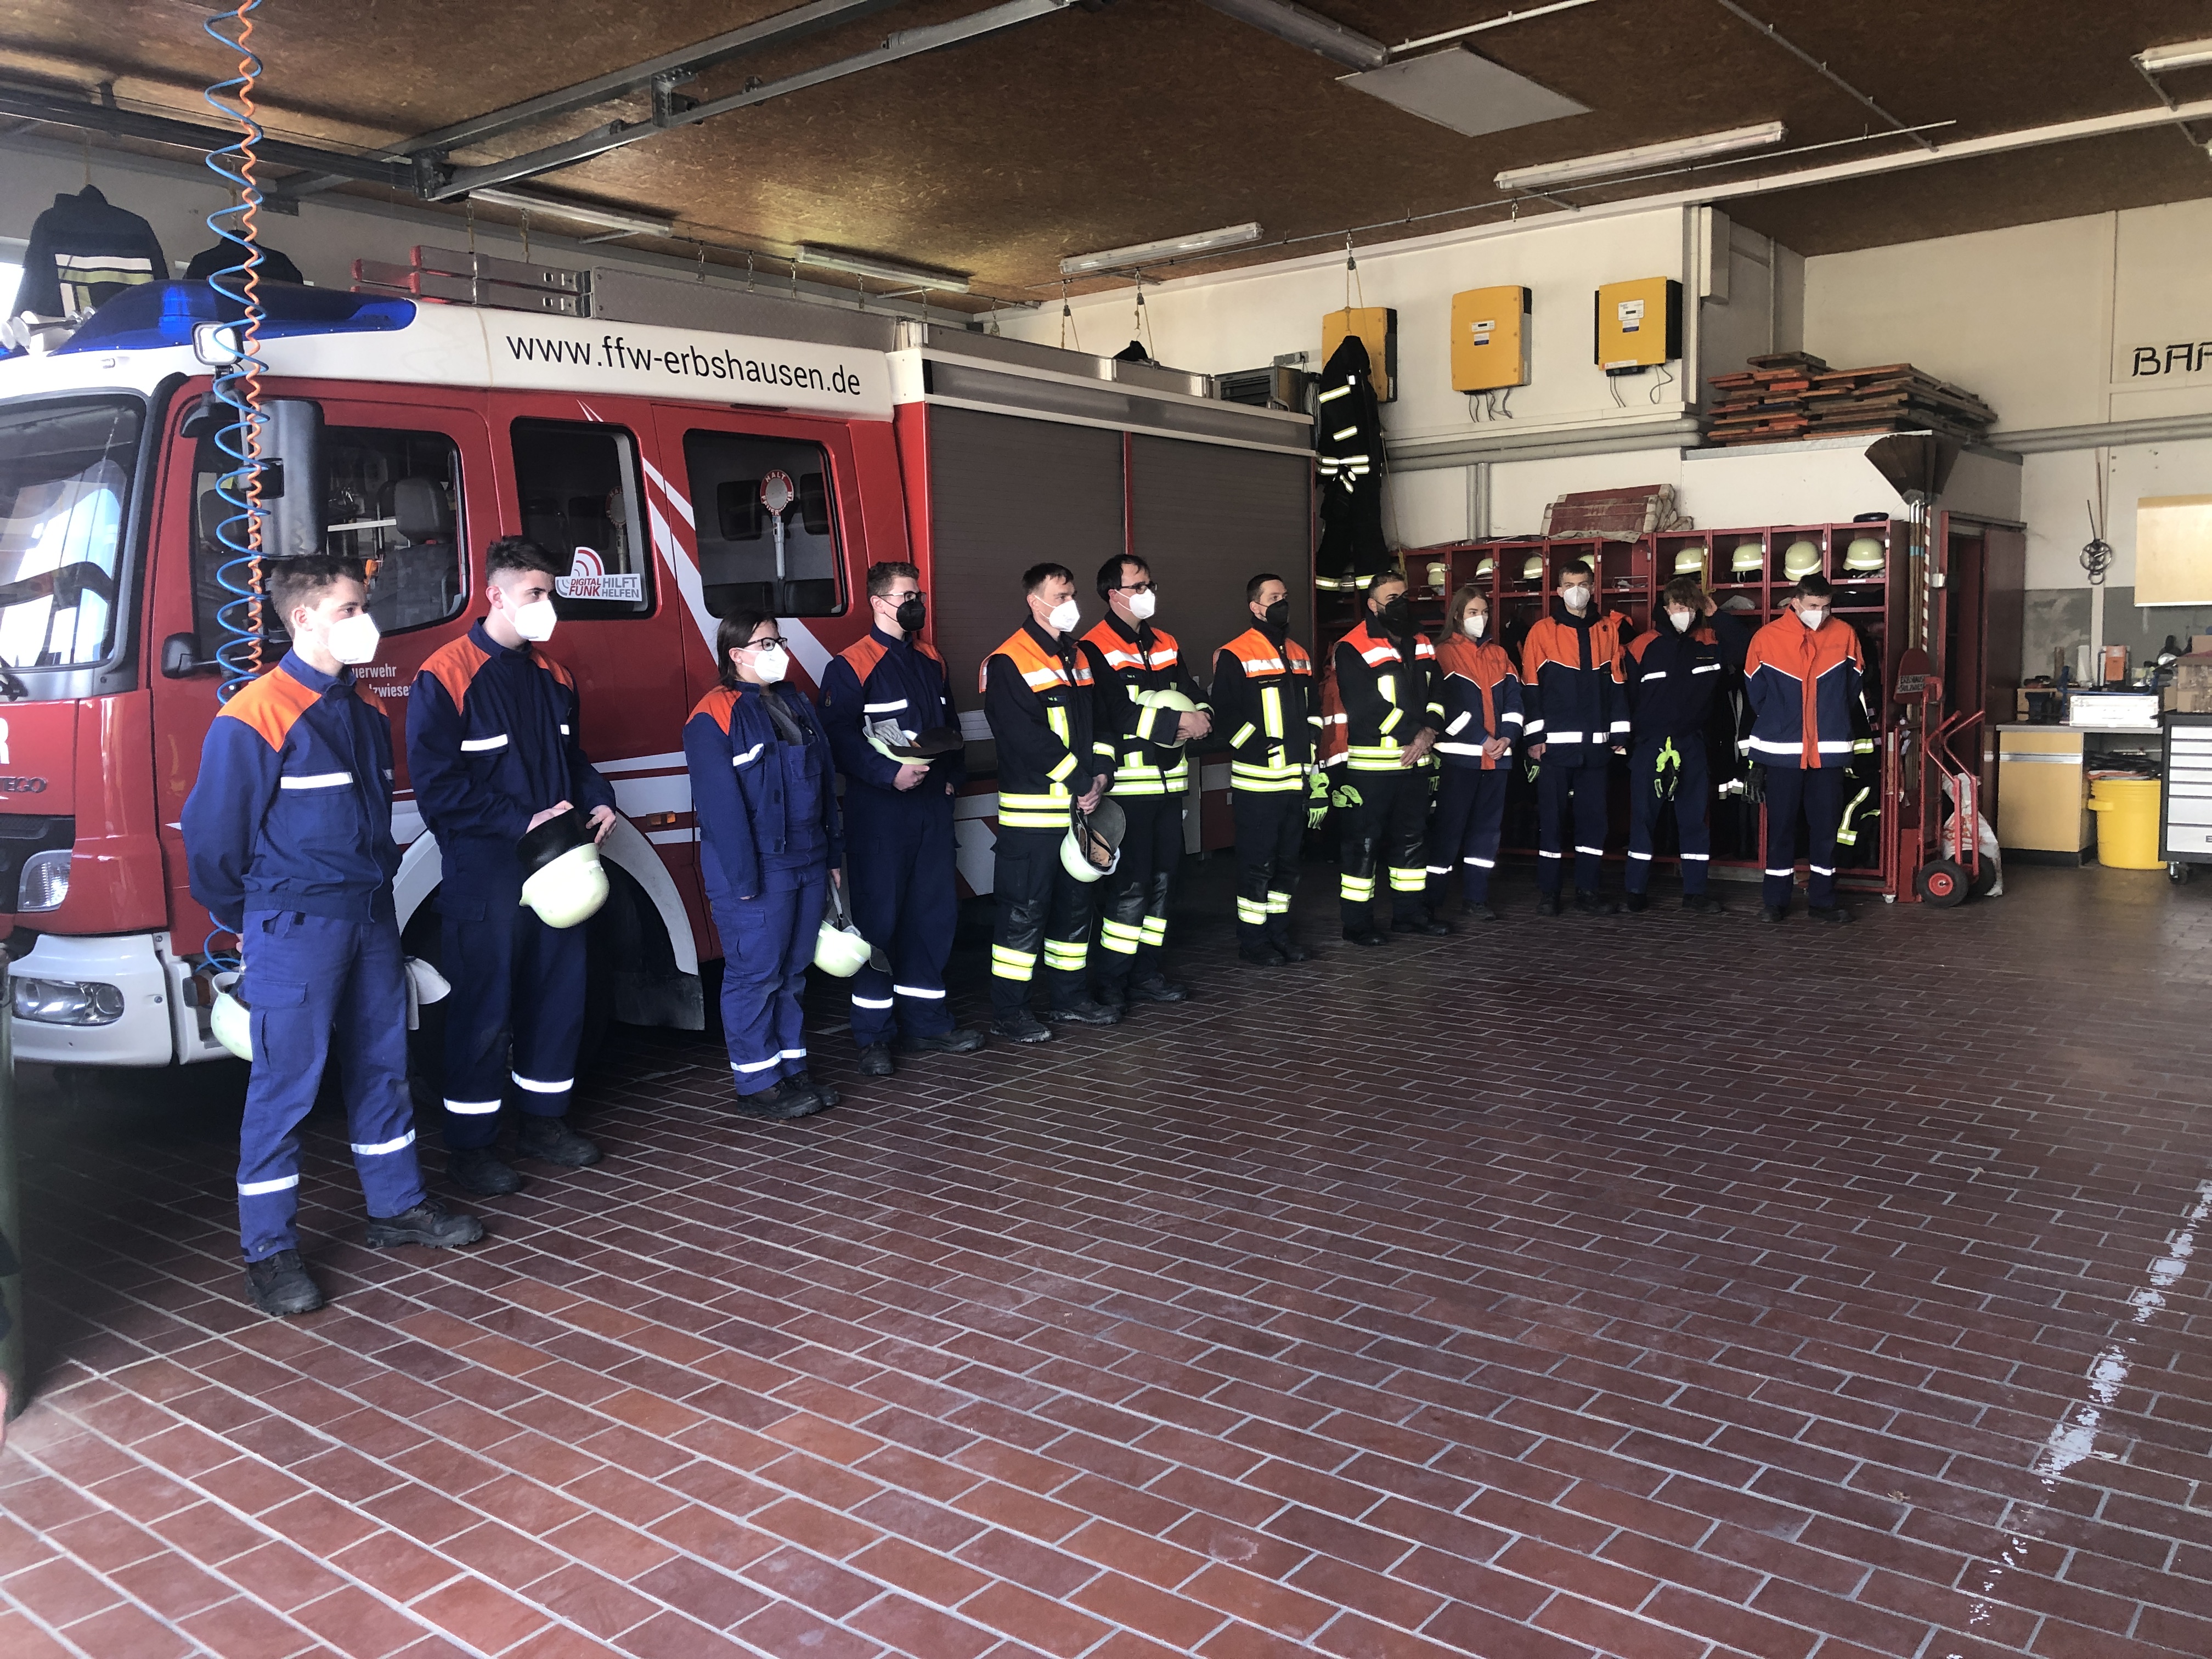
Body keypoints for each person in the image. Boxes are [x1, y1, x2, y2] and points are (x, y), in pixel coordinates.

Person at [185, 554, 481, 1317]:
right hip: (295, 926)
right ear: (304, 618)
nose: (365, 622)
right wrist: (250, 921)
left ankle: (397, 1205)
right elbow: (213, 845)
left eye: (363, 607)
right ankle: (269, 1253)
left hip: (371, 917)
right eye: (350, 609)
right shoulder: (256, 714)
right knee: (284, 1088)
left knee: (383, 1067)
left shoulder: (363, 708)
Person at [409, 538, 616, 1197]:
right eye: (535, 593)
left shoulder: (556, 677)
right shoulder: (445, 675)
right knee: (483, 1008)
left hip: (560, 866)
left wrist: (601, 798)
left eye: (550, 593)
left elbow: (574, 760)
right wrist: (519, 821)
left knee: (558, 997)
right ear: (495, 595)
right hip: (487, 873)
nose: (546, 605)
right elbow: (439, 790)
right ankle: (470, 1149)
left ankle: (544, 1124)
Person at [818, 562, 985, 1078]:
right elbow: (838, 739)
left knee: (932, 916)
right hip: (880, 814)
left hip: (931, 808)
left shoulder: (931, 658)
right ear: (877, 602)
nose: (916, 603)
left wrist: (952, 777)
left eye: (918, 595)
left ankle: (928, 1023)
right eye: (905, 596)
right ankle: (873, 1036)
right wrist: (887, 775)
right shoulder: (850, 666)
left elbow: (949, 728)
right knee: (879, 921)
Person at [685, 611, 847, 1115]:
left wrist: (832, 855)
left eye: (779, 640)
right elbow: (721, 809)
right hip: (759, 868)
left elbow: (825, 784)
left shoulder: (795, 702)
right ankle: (758, 1085)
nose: (779, 650)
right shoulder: (713, 715)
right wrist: (743, 880)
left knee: (794, 972)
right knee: (756, 975)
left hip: (807, 858)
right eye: (766, 643)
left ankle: (793, 1072)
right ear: (736, 655)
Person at [982, 563, 1120, 1040]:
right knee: (1022, 916)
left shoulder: (1079, 657)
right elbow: (1025, 738)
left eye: (1072, 595)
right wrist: (1081, 780)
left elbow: (1102, 722)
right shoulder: (1008, 661)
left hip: (1080, 812)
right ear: (1034, 601)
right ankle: (1011, 1012)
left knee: (1075, 911)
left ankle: (1070, 999)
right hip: (1033, 820)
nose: (1070, 604)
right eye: (1060, 597)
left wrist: (1102, 773)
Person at [1079, 554, 1211, 1007]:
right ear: (1112, 594)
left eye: (1149, 585)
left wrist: (1204, 718)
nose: (1147, 593)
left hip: (1169, 786)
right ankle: (1112, 981)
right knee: (1129, 889)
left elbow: (1192, 693)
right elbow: (1113, 713)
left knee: (1163, 884)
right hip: (1128, 791)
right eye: (1138, 587)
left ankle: (1147, 972)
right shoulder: (1093, 647)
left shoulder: (1167, 642)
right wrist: (1176, 724)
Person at [1742, 573, 1875, 923]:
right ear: (1796, 602)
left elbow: (1853, 691)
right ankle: (1775, 902)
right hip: (1782, 752)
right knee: (1781, 830)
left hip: (1828, 753)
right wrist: (1784, 722)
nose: (1821, 613)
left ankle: (1823, 901)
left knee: (1826, 830)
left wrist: (1829, 719)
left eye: (1826, 607)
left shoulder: (1845, 634)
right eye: (1814, 606)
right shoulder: (1766, 638)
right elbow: (1756, 695)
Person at [1622, 574, 1752, 913]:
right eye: (1677, 607)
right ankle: (1635, 890)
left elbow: (1747, 650)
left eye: (1689, 607)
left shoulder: (1710, 641)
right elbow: (1627, 697)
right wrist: (1629, 742)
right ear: (1665, 608)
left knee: (1694, 820)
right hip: (1649, 744)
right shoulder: (1641, 646)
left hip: (1693, 743)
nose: (1683, 613)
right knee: (1643, 819)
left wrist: (1715, 613)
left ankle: (1695, 893)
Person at [1330, 569, 1447, 946]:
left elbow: (1439, 694)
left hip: (1416, 764)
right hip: (1372, 771)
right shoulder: (1352, 646)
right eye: (1391, 599)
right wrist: (1416, 733)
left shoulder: (1422, 641)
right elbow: (1364, 705)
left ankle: (1409, 915)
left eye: (1404, 596)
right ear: (1372, 605)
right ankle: (1357, 924)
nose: (1400, 604)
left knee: (1412, 843)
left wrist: (1429, 731)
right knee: (1363, 847)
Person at [1213, 573, 1319, 966]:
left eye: (1285, 596)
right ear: (1255, 607)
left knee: (1288, 865)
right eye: (1274, 598)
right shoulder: (1235, 653)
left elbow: (1314, 710)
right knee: (1257, 866)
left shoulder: (1299, 653)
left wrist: (1310, 749)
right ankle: (1253, 941)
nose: (1282, 603)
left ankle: (1279, 934)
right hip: (1258, 783)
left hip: (1295, 780)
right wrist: (1259, 748)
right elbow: (1225, 714)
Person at [1521, 559, 1630, 916]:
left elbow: (1617, 684)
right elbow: (1531, 687)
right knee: (1552, 822)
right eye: (1569, 585)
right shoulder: (1542, 631)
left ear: (1593, 587)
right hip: (1554, 747)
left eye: (1583, 584)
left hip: (1596, 747)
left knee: (1594, 822)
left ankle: (1588, 891)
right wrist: (1535, 738)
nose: (1577, 591)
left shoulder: (1607, 630)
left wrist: (1619, 732)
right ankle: (1549, 893)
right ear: (1558, 590)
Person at [1428, 585, 1523, 921]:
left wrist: (1507, 738)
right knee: (1448, 829)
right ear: (1457, 615)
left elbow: (1515, 701)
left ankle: (1476, 898)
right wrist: (1483, 739)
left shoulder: (1499, 654)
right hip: (1459, 758)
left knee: (1487, 832)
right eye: (1472, 612)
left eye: (1484, 612)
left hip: (1497, 759)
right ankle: (1432, 901)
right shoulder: (1442, 653)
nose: (1480, 618)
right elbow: (1446, 707)